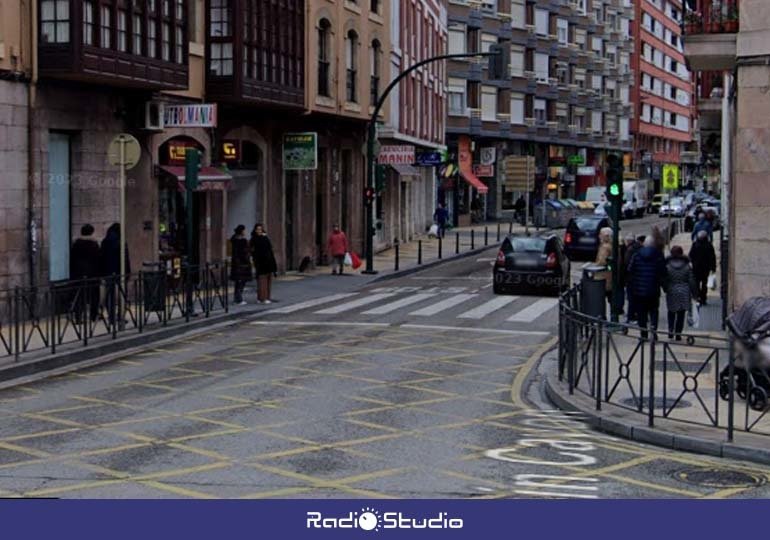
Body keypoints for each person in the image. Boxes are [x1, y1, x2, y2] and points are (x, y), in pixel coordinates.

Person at [627, 236, 667, 338]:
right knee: (653, 311)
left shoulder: (636, 255)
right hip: (653, 289)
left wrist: (634, 284)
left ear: (644, 244)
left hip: (639, 291)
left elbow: (630, 270)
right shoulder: (658, 255)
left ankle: (643, 333)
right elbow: (663, 272)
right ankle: (653, 329)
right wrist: (664, 286)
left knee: (641, 313)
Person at [663, 245, 697, 341]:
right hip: (684, 291)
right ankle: (678, 333)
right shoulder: (687, 266)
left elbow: (665, 279)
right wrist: (695, 293)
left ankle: (670, 331)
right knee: (681, 314)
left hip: (672, 290)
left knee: (671, 312)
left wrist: (665, 288)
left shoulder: (668, 266)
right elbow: (691, 281)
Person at [100, 223, 131, 324]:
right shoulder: (121, 242)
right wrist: (127, 272)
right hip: (119, 271)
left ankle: (111, 316)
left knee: (110, 295)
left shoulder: (105, 242)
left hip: (108, 271)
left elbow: (101, 258)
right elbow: (125, 259)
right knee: (122, 294)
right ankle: (120, 315)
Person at [70, 224, 101, 322]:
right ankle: (93, 315)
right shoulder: (94, 244)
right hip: (93, 273)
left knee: (80, 295)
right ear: (91, 232)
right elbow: (98, 259)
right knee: (94, 296)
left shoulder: (76, 244)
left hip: (78, 273)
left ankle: (78, 316)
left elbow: (72, 260)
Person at [250, 223, 277, 304]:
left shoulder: (265, 238)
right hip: (260, 262)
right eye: (257, 229)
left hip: (268, 262)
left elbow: (270, 249)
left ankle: (266, 297)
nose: (259, 231)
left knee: (268, 280)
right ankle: (262, 298)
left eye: (260, 229)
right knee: (262, 281)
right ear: (255, 230)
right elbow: (253, 251)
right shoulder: (254, 239)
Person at [689, 229, 717, 305]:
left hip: (696, 268)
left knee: (697, 283)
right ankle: (703, 298)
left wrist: (691, 263)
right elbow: (712, 257)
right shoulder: (709, 245)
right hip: (705, 268)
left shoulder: (695, 244)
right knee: (704, 284)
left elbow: (690, 255)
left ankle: (698, 296)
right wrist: (713, 268)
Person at [229, 225, 252, 306]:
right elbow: (245, 252)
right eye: (244, 230)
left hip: (236, 263)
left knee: (238, 282)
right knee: (241, 282)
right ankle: (239, 299)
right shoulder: (242, 241)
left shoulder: (234, 240)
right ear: (241, 231)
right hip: (242, 264)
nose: (245, 232)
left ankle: (237, 298)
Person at [622, 234, 641, 322]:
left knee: (631, 299)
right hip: (637, 278)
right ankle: (635, 315)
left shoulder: (630, 250)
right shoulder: (638, 248)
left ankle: (631, 317)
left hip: (631, 279)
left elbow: (627, 265)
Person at [594, 227, 613, 305]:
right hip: (609, 276)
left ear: (606, 236)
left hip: (603, 277)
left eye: (600, 234)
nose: (599, 236)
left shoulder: (605, 247)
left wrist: (595, 266)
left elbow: (602, 261)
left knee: (600, 300)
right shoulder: (611, 245)